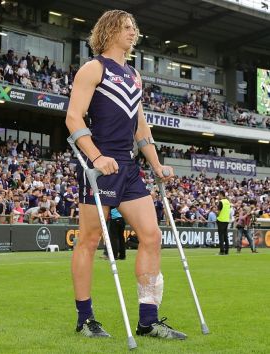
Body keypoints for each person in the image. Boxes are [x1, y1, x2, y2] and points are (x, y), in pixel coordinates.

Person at [65, 9, 186, 340]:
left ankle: (148, 320)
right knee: (89, 240)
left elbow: (140, 125)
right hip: (100, 167)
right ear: (109, 31)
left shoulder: (134, 75)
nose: (133, 32)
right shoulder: (94, 69)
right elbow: (74, 119)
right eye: (127, 27)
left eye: (135, 28)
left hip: (129, 168)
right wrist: (97, 157)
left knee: (152, 236)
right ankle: (85, 318)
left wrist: (157, 163)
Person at [217, 191, 231, 255]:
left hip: (221, 220)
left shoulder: (221, 202)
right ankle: (227, 250)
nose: (218, 196)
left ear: (221, 194)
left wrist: (216, 214)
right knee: (225, 236)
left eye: (219, 195)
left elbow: (219, 212)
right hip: (226, 220)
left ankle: (222, 251)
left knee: (221, 236)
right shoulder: (228, 202)